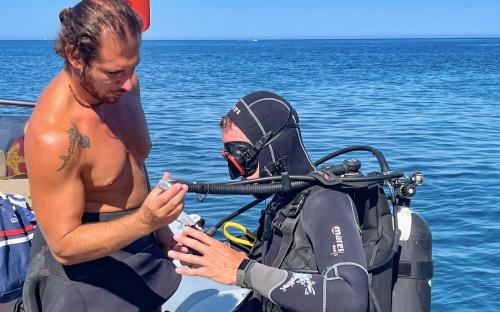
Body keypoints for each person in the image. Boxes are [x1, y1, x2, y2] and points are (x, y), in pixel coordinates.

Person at [22, 1, 187, 311]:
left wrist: (159, 227)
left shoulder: (124, 87)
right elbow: (64, 246)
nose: (127, 83)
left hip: (145, 246)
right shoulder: (54, 134)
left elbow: (133, 161)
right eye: (114, 72)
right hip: (89, 272)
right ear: (75, 56)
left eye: (133, 67)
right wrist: (145, 221)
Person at [168, 91, 369, 312]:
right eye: (231, 161)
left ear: (274, 146)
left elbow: (352, 299)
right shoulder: (285, 202)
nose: (237, 175)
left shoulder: (327, 202)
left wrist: (244, 270)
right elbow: (270, 268)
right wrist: (207, 256)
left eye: (242, 159)